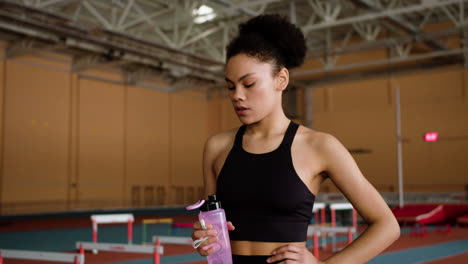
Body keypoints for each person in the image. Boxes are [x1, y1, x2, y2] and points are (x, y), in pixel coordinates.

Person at [191, 14, 400, 264]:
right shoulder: (216, 147)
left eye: (249, 84)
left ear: (281, 79)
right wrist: (203, 238)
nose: (237, 95)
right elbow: (211, 224)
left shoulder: (319, 146)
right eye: (230, 86)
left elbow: (387, 225)